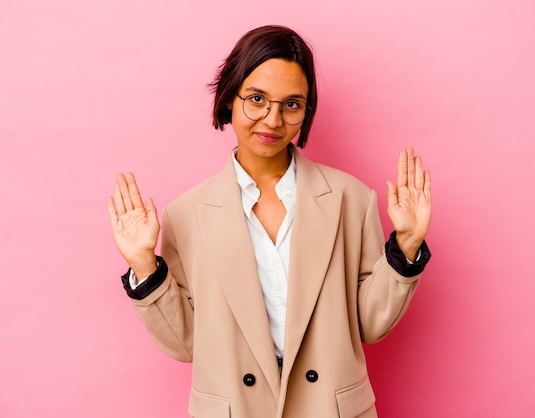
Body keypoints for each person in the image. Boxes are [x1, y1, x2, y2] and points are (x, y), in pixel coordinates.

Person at [107, 25, 432, 418]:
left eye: (291, 104)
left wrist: (407, 244)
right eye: (257, 99)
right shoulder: (186, 214)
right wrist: (144, 263)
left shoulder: (351, 199)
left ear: (306, 110)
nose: (273, 119)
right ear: (230, 98)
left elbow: (369, 324)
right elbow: (185, 342)